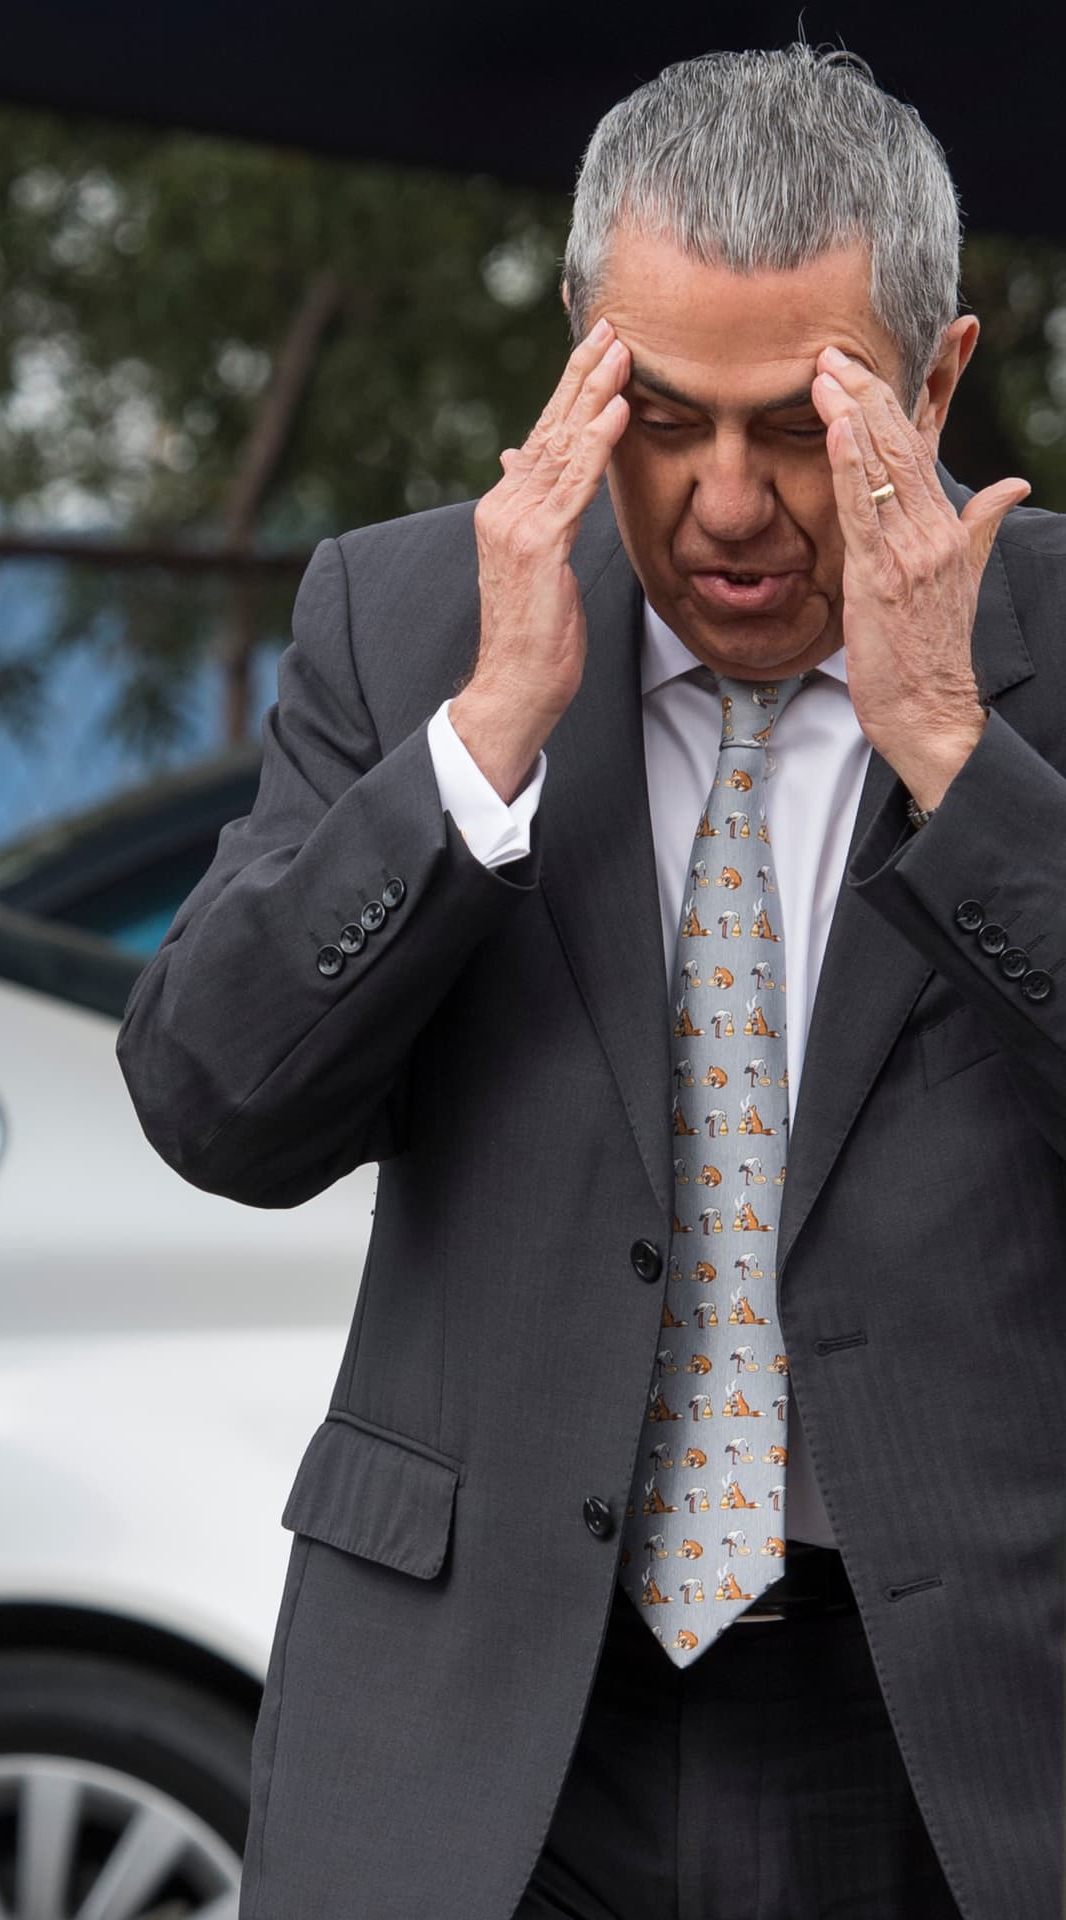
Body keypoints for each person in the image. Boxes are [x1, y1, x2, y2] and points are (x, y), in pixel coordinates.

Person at [116, 44, 1064, 1920]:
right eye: (664, 417)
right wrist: (483, 746)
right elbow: (217, 1108)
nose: (727, 502)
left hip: (966, 1734)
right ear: (581, 361)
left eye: (799, 425)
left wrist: (955, 756)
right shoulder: (405, 622)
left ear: (939, 378)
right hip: (481, 1732)